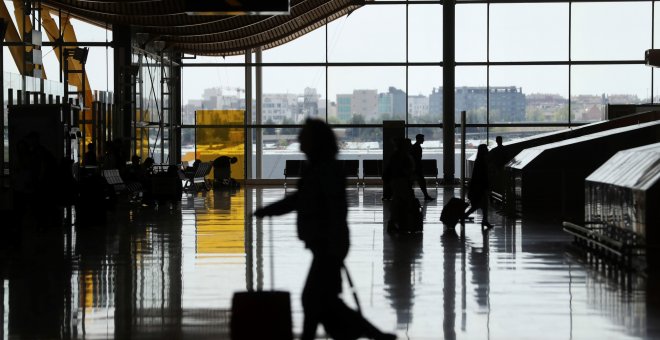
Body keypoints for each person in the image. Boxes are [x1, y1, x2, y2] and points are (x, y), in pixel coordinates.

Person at [254, 118, 395, 340]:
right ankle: (376, 335)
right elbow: (303, 199)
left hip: (328, 243)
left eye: (304, 137)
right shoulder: (321, 167)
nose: (299, 141)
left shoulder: (324, 169)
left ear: (315, 142)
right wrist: (269, 210)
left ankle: (375, 335)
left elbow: (325, 206)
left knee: (313, 298)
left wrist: (270, 210)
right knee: (322, 300)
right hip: (327, 242)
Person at [464, 144, 493, 229]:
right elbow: (483, 176)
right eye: (486, 148)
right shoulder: (482, 161)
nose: (487, 150)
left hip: (478, 186)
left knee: (481, 205)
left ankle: (484, 221)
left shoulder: (479, 160)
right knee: (481, 205)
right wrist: (486, 186)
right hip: (480, 187)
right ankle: (483, 221)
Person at [411, 134, 434, 201]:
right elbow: (417, 158)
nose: (423, 140)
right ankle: (426, 196)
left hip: (416, 167)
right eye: (422, 138)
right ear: (419, 139)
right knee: (421, 182)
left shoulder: (415, 146)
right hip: (417, 168)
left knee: (420, 182)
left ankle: (426, 195)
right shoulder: (417, 147)